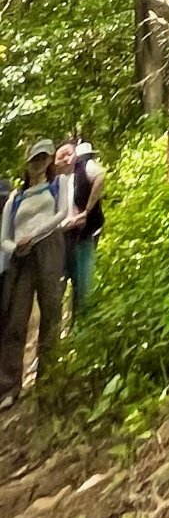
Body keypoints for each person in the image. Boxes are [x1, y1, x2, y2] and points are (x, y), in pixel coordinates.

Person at [0, 140, 70, 404]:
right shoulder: (14, 199)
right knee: (15, 318)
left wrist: (34, 235)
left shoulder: (58, 184)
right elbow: (4, 238)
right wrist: (17, 245)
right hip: (21, 255)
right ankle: (8, 387)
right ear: (27, 164)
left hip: (49, 246)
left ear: (50, 159)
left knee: (51, 309)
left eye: (42, 158)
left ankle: (49, 379)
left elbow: (62, 213)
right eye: (33, 159)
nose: (38, 163)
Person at [53, 140, 103, 320]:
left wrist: (86, 211)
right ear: (55, 162)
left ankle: (83, 325)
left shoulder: (85, 168)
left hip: (82, 235)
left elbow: (100, 178)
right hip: (59, 238)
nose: (66, 159)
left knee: (82, 283)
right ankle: (56, 328)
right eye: (61, 157)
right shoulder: (54, 180)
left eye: (69, 154)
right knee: (58, 284)